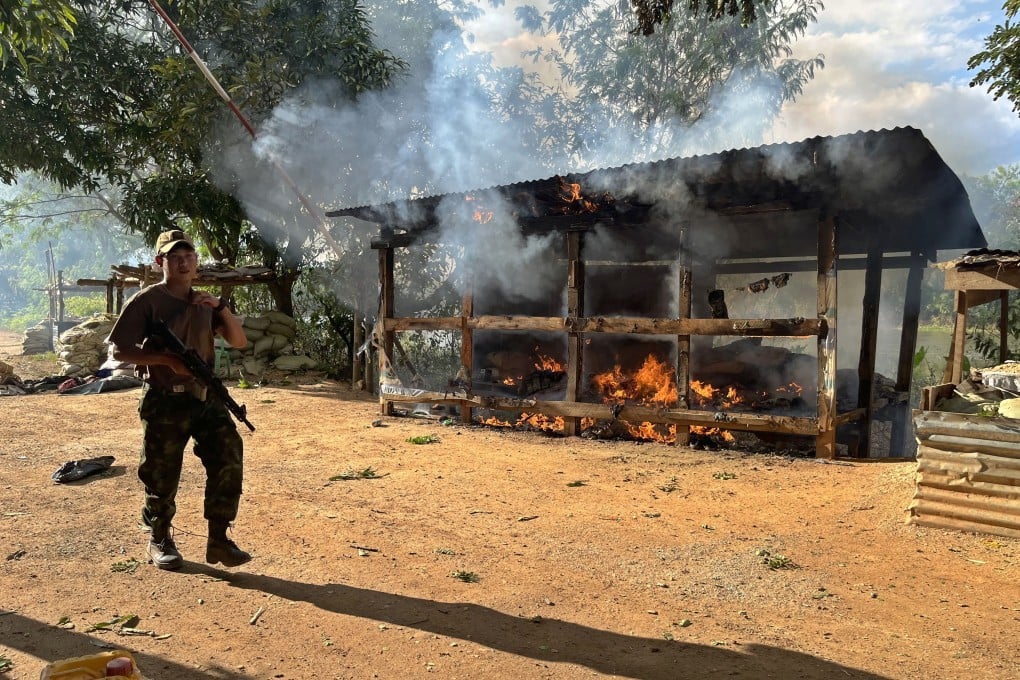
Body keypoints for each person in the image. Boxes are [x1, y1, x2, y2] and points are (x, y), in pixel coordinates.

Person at [107, 229, 252, 570]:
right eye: (175, 257)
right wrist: (166, 360)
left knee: (228, 458)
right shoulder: (147, 301)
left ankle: (219, 539)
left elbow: (239, 341)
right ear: (161, 262)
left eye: (189, 256)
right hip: (165, 400)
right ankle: (159, 537)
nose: (184, 262)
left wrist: (222, 307)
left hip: (205, 397)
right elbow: (120, 351)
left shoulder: (204, 302)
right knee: (161, 472)